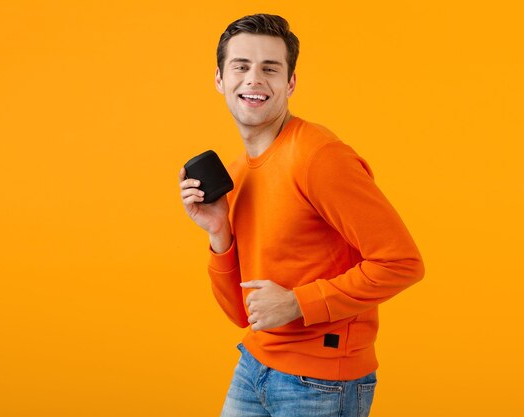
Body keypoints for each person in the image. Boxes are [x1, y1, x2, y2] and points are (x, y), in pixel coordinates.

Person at [178, 14, 424, 417]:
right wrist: (219, 231)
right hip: (255, 364)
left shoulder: (319, 158)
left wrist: (298, 303)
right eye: (241, 66)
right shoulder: (238, 172)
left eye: (270, 68)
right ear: (220, 79)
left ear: (290, 83)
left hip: (322, 383)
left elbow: (403, 263)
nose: (254, 79)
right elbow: (242, 313)